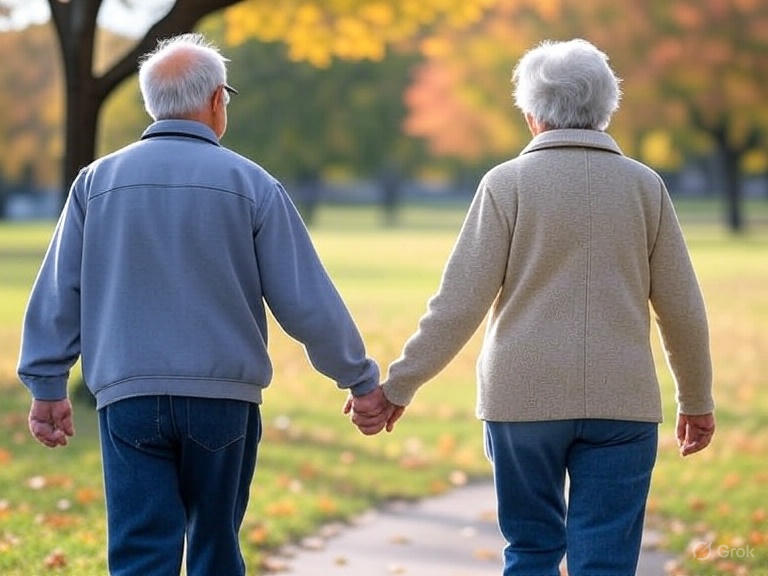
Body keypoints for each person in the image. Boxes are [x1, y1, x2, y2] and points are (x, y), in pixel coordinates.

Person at [18, 33, 386, 576]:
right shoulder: (251, 184)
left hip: (129, 395)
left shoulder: (96, 184)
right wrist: (359, 380)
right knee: (215, 546)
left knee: (140, 550)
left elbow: (59, 290)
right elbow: (306, 300)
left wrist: (47, 384)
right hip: (223, 400)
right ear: (217, 100)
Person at [349, 39, 715, 576]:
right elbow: (681, 308)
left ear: (531, 114)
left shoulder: (506, 185)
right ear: (607, 108)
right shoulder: (645, 187)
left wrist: (398, 386)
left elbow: (458, 303)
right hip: (622, 400)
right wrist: (696, 400)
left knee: (531, 550)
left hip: (521, 400)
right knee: (607, 559)